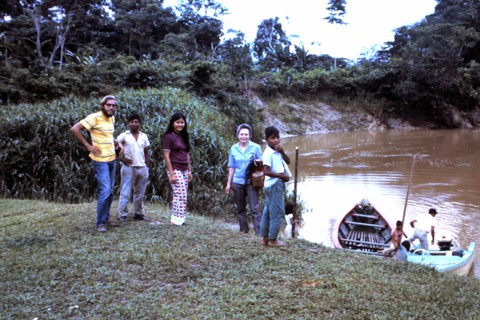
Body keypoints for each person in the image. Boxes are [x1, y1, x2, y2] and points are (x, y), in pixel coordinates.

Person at [70, 95, 124, 232]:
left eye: (113, 105)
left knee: (110, 191)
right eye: (108, 105)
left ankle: (106, 219)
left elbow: (107, 134)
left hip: (112, 158)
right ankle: (100, 223)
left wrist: (116, 143)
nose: (111, 107)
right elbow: (74, 129)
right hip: (100, 161)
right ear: (102, 105)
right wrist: (88, 146)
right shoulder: (94, 117)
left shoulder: (111, 118)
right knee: (105, 191)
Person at [225, 124, 263, 235]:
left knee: (255, 209)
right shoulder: (233, 148)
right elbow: (231, 166)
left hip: (251, 182)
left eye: (246, 134)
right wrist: (228, 183)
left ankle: (258, 233)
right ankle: (244, 231)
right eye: (241, 134)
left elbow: (261, 165)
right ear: (237, 135)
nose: (244, 136)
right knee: (240, 209)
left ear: (250, 135)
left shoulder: (256, 147)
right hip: (237, 182)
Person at [260, 126, 292, 247]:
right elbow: (266, 171)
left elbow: (288, 161)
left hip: (271, 185)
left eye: (278, 137)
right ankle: (272, 240)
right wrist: (281, 176)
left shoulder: (277, 151)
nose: (276, 140)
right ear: (267, 139)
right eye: (273, 138)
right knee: (278, 212)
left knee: (268, 211)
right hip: (274, 185)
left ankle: (264, 238)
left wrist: (282, 151)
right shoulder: (268, 153)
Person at [117, 113, 151, 222]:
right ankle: (122, 214)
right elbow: (114, 147)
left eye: (136, 122)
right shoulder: (124, 135)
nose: (134, 124)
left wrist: (147, 165)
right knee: (126, 191)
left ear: (139, 123)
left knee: (140, 192)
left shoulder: (143, 136)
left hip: (142, 167)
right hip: (129, 167)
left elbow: (147, 152)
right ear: (128, 123)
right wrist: (122, 159)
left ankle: (138, 213)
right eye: (132, 122)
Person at [162, 112, 192, 226]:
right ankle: (176, 220)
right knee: (180, 193)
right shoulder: (168, 136)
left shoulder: (184, 136)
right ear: (173, 123)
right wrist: (171, 173)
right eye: (177, 122)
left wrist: (189, 171)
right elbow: (166, 156)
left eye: (182, 122)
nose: (180, 124)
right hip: (175, 168)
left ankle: (179, 219)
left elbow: (187, 154)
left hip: (184, 168)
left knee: (182, 194)